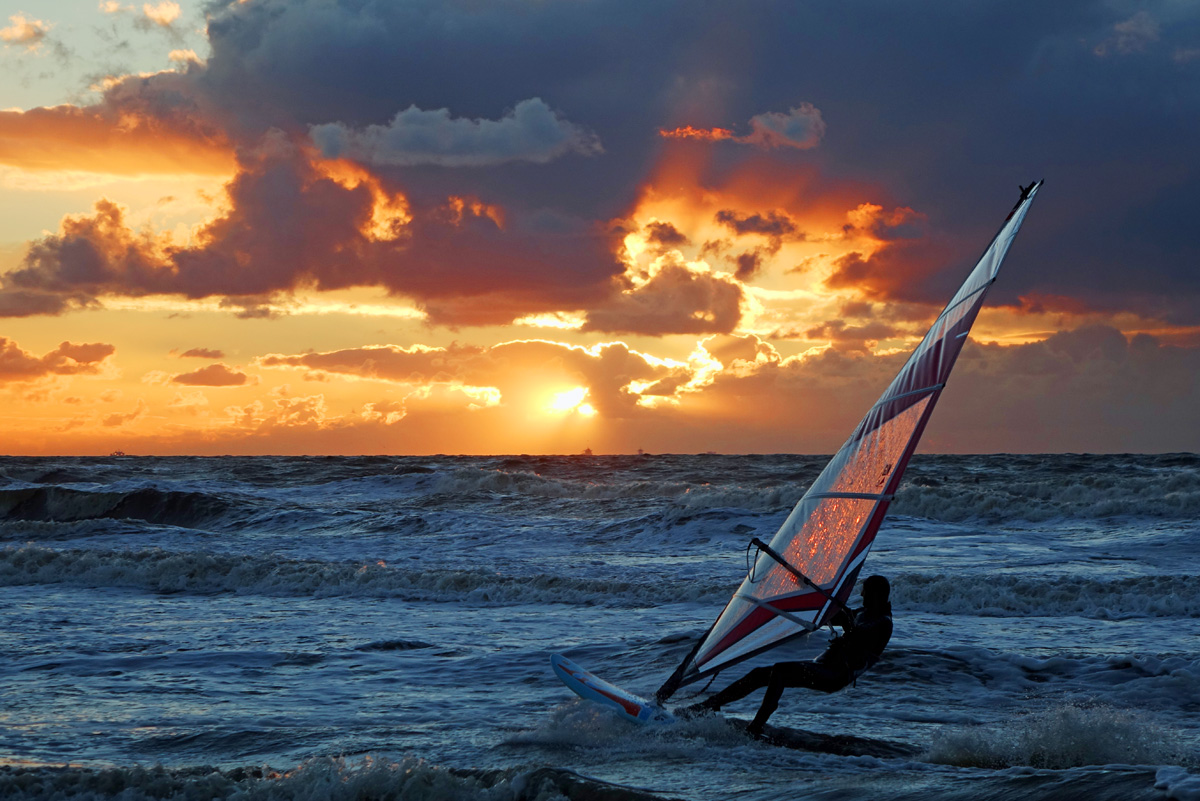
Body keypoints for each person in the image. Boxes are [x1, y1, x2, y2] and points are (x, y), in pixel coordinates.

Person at [681, 574, 893, 737]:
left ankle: (756, 726)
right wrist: (807, 591)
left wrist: (847, 622)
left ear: (878, 595)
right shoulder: (863, 613)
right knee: (759, 673)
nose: (862, 595)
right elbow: (831, 617)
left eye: (866, 592)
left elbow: (860, 633)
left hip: (835, 675)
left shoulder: (883, 622)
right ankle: (710, 705)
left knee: (781, 671)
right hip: (821, 666)